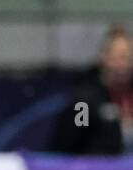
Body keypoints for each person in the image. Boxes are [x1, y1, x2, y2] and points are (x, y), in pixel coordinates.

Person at [48, 26, 132, 155]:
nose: (122, 65)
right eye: (117, 58)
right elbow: (71, 143)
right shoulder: (84, 102)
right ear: (103, 58)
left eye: (127, 58)